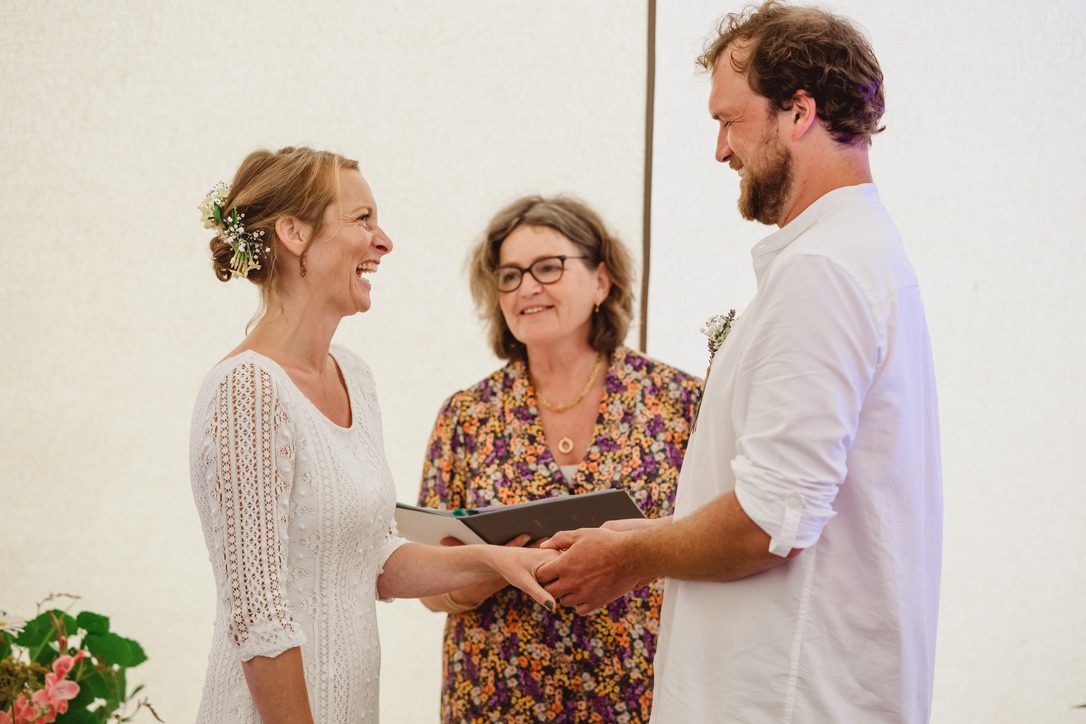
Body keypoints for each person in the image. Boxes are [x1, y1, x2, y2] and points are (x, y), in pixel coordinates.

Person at [539, 3, 942, 722]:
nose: (720, 151)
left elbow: (769, 522)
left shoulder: (824, 271)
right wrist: (639, 536)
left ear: (799, 112)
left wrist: (628, 559)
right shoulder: (852, 255)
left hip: (786, 696)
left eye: (729, 121)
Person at [188, 146, 558, 723]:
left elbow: (374, 559)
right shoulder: (247, 390)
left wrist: (494, 562)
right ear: (294, 233)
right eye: (362, 220)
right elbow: (259, 614)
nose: (384, 241)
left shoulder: (354, 376)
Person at [416, 195, 702, 722]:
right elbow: (427, 584)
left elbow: (712, 540)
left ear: (601, 280)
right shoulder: (466, 416)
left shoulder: (680, 402)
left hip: (641, 695)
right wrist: (485, 569)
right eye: (509, 275)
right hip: (495, 701)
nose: (527, 287)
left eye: (548, 267)